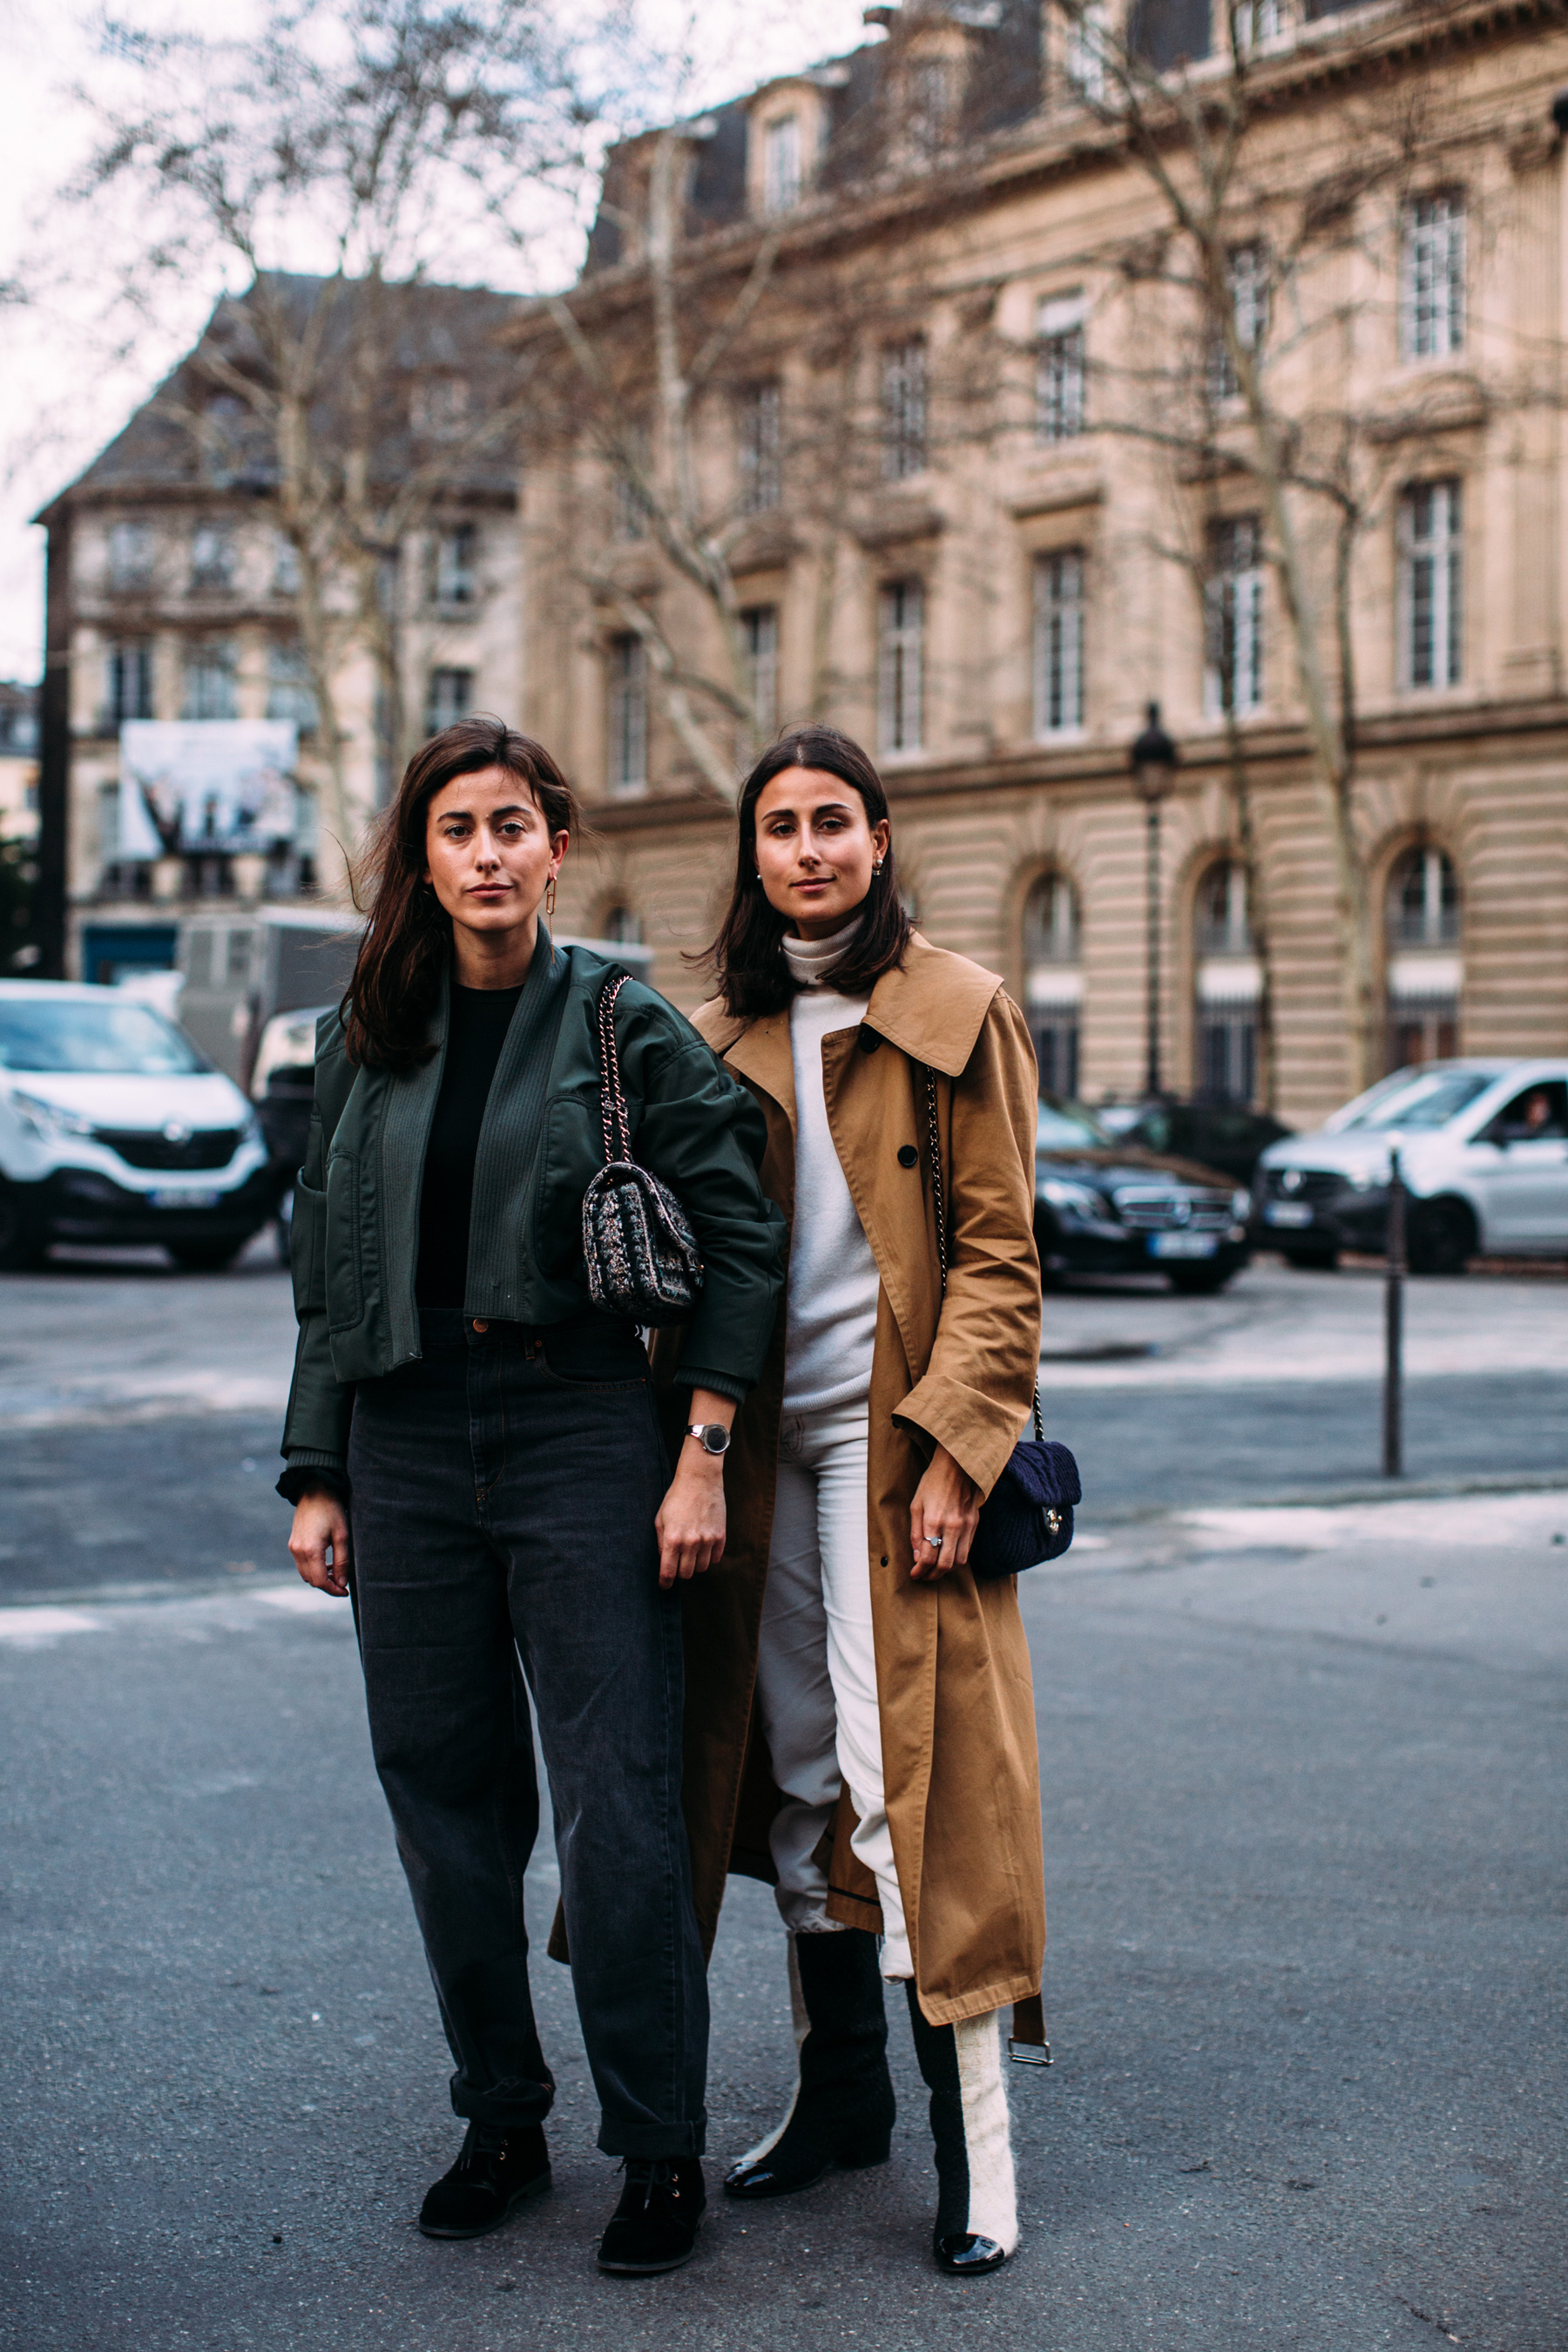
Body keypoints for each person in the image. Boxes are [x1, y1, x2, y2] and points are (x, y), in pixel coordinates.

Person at [278, 718, 786, 2277]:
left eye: (512, 826)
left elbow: (740, 1231)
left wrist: (701, 1449)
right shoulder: (365, 1036)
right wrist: (318, 1468)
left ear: (557, 849)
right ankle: (500, 2118)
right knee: (445, 1805)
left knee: (618, 1805)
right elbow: (328, 1266)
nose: (487, 855)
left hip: (579, 1428)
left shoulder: (621, 1021)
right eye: (458, 830)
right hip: (405, 1442)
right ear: (423, 860)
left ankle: (657, 2145)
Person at [656, 725, 1047, 2275]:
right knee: (798, 1770)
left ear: (879, 840)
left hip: (896, 1449)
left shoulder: (957, 1008)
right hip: (757, 1447)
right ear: (752, 855)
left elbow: (1004, 1258)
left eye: (833, 821)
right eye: (780, 826)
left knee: (914, 1783)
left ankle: (979, 2153)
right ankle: (841, 2101)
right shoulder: (712, 1037)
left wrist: (959, 1445)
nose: (808, 848)